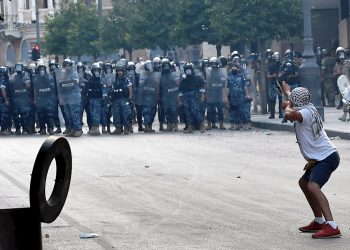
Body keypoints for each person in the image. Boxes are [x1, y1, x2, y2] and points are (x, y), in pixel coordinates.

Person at [281, 83, 341, 239]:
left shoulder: (305, 113)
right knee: (304, 183)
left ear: (296, 102)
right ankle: (319, 220)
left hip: (327, 157)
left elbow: (288, 115)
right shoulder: (306, 106)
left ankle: (332, 226)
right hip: (320, 157)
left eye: (292, 100)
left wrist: (287, 106)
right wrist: (286, 89)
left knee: (313, 187)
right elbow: (291, 97)